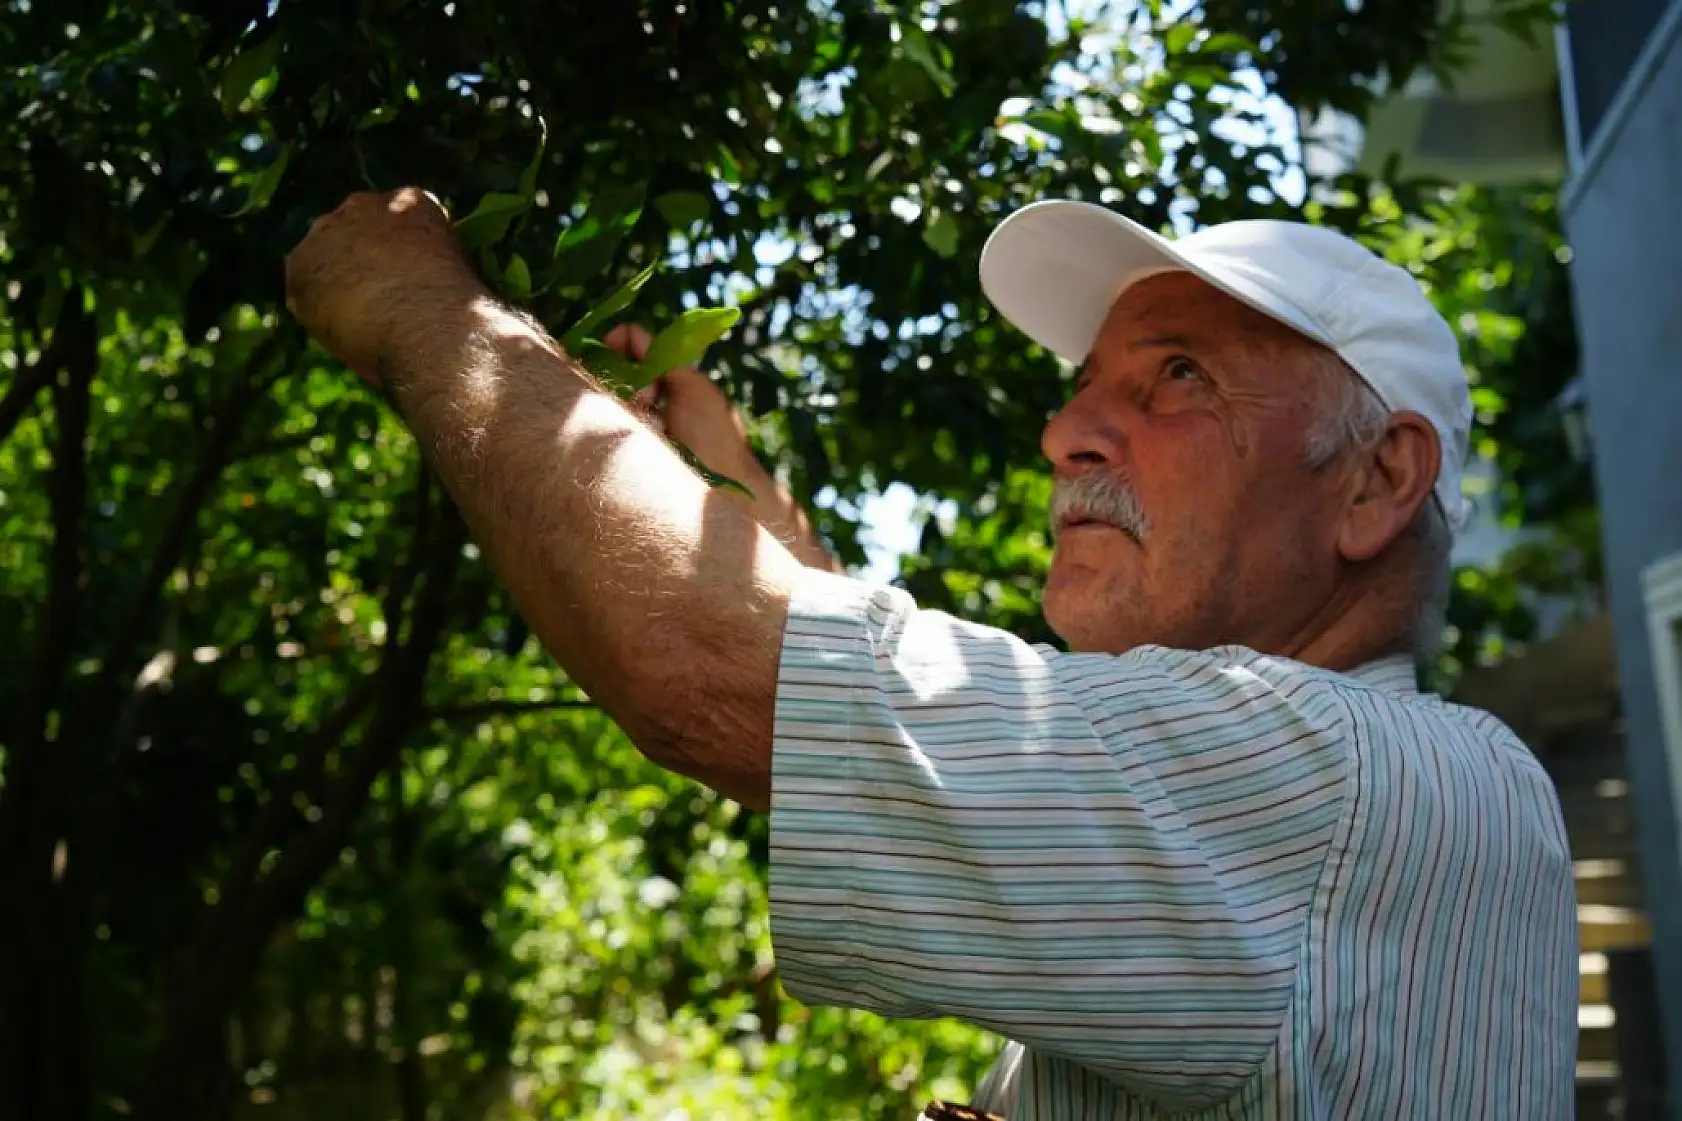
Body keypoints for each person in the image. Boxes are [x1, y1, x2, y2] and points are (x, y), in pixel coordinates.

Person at [284, 189, 1578, 1119]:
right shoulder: (1323, 800)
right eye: (1082, 382)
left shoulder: (1331, 776)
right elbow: (896, 714)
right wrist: (733, 491)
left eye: (1174, 374)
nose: (1064, 428)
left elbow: (715, 671)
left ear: (1375, 482)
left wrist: (420, 303)